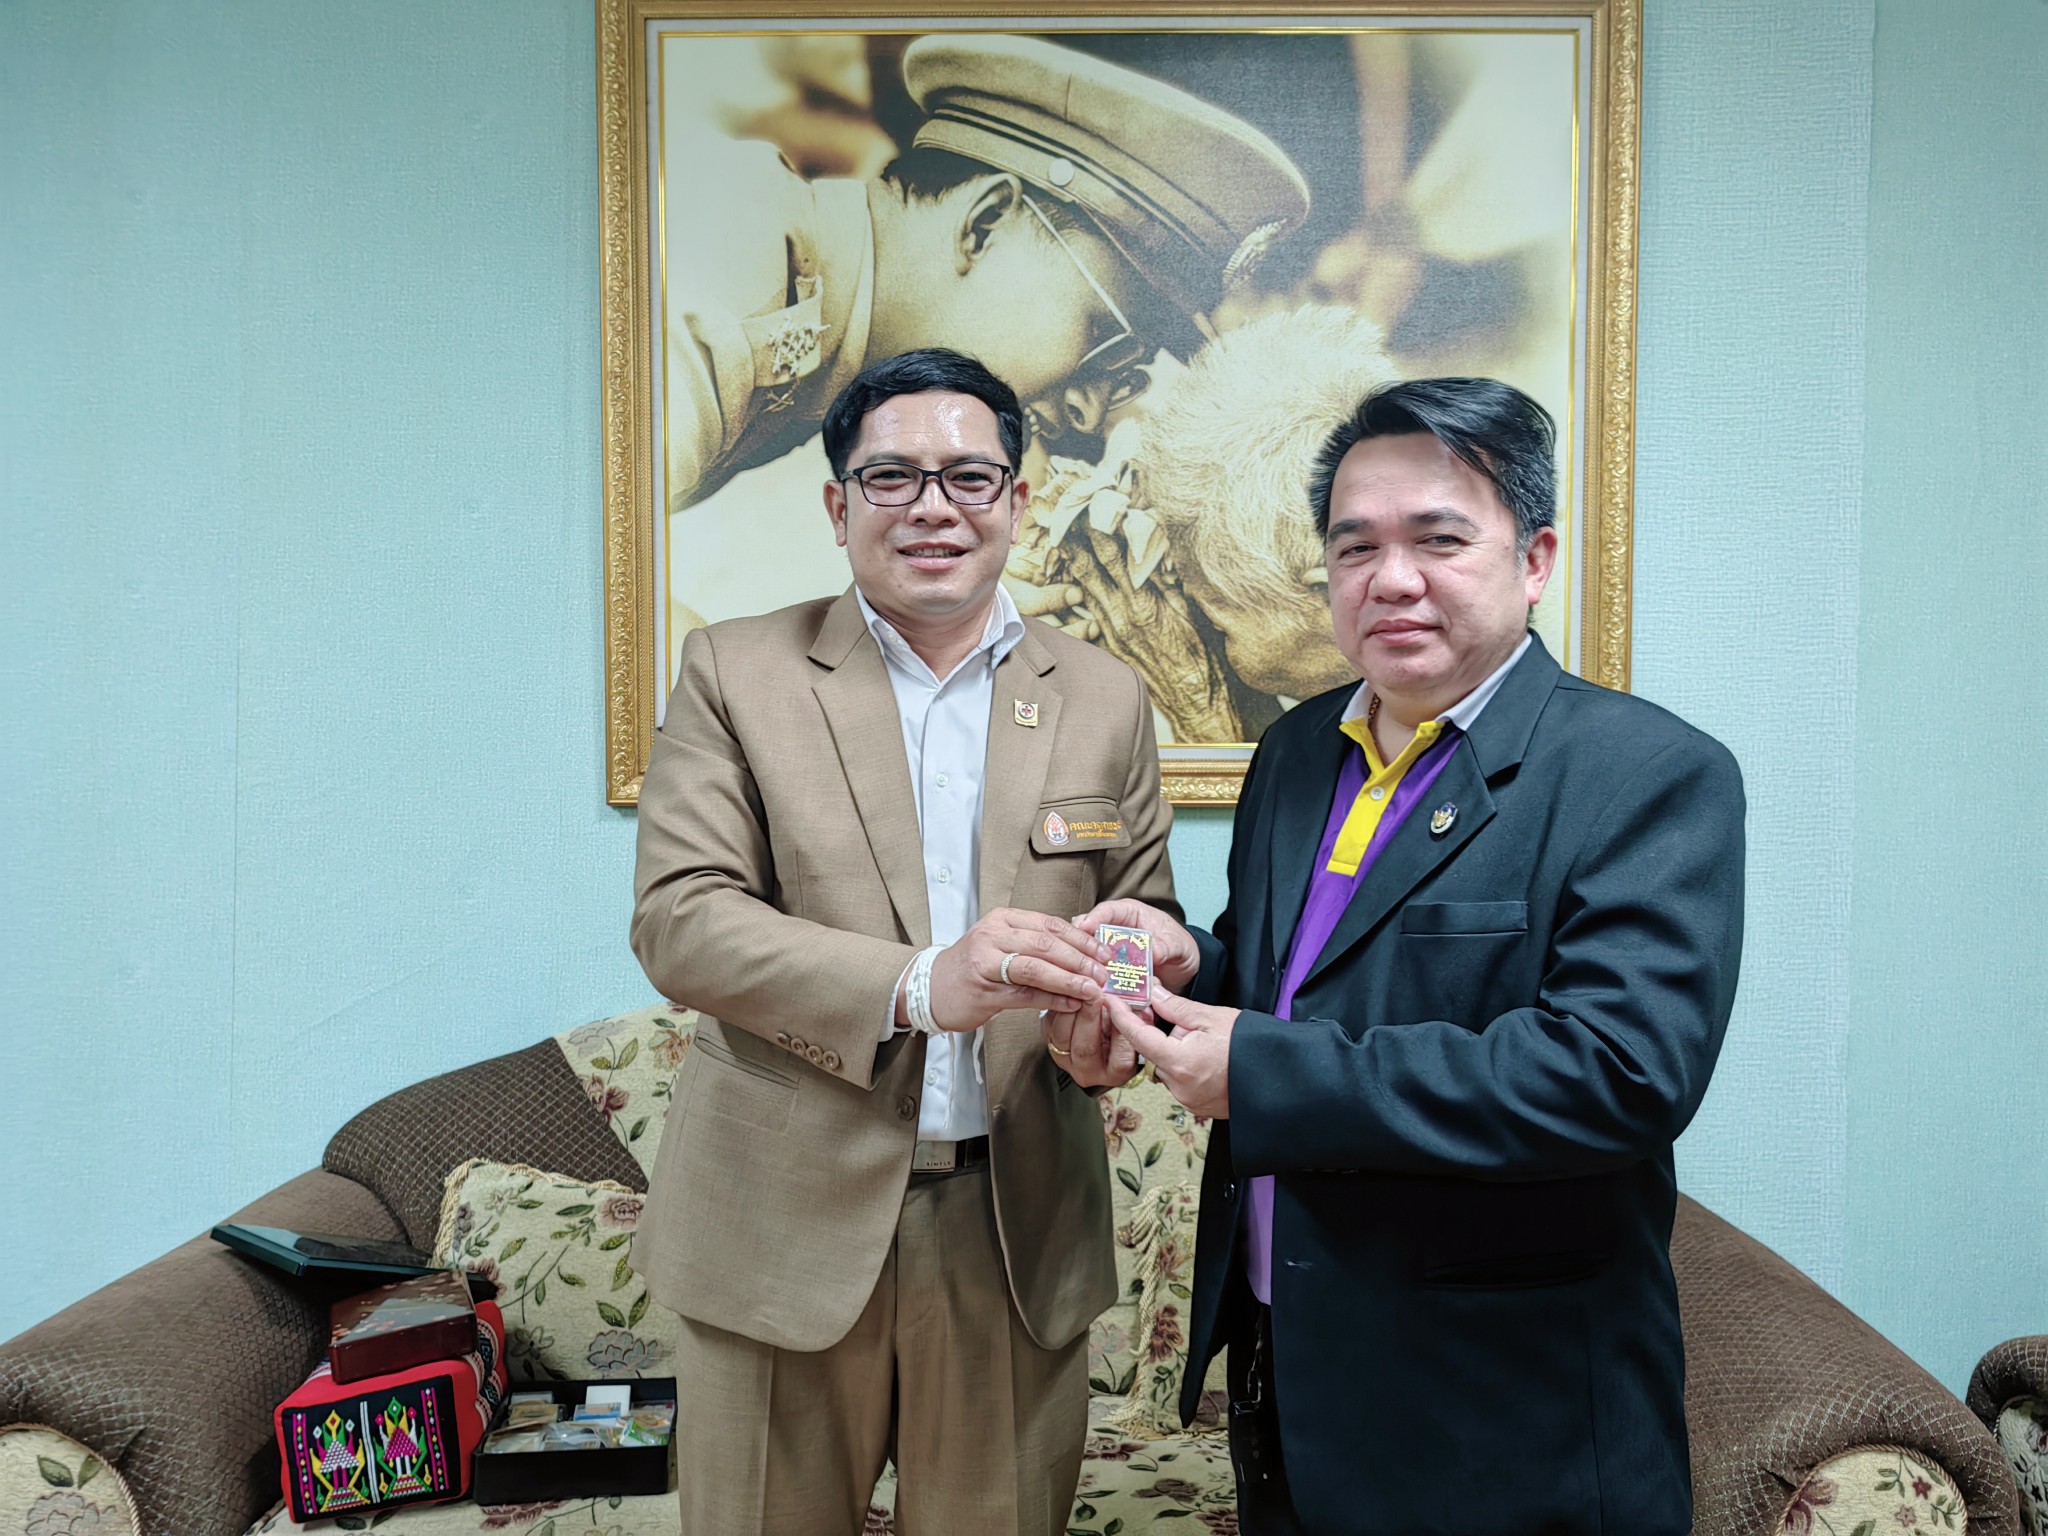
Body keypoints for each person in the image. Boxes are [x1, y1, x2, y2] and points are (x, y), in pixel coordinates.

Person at [1084, 378, 1746, 1535]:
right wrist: (1191, 964)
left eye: (1438, 539)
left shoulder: (1644, 773)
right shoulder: (1296, 751)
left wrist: (1261, 1071)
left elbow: (1617, 1074)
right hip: (1287, 1378)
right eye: (1354, 547)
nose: (1390, 579)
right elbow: (1301, 982)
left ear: (1533, 560)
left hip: (1499, 1418)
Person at [630, 347, 1178, 1535]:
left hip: (1013, 1226)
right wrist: (924, 983)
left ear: (1016, 501)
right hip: (778, 1222)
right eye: (892, 477)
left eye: (968, 477)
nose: (933, 507)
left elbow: (1139, 917)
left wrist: (1119, 1018)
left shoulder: (1103, 696)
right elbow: (681, 919)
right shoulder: (734, 670)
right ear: (838, 507)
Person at [660, 32, 1311, 514]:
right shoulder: (726, 244)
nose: (1088, 412)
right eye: (1101, 334)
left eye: (1125, 371)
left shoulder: (832, 335)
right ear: (983, 224)